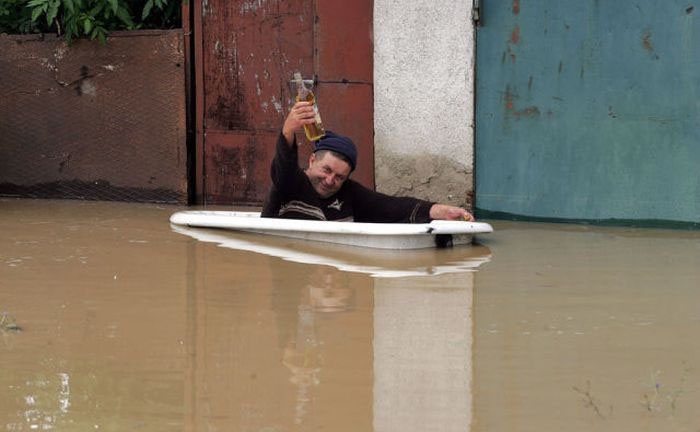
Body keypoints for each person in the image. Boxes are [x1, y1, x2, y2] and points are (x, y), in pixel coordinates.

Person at [261, 100, 475, 223]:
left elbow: (392, 207)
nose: (329, 180)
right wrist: (288, 130)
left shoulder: (349, 194)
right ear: (311, 161)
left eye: (339, 177)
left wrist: (440, 211)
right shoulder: (290, 183)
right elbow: (283, 165)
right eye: (326, 170)